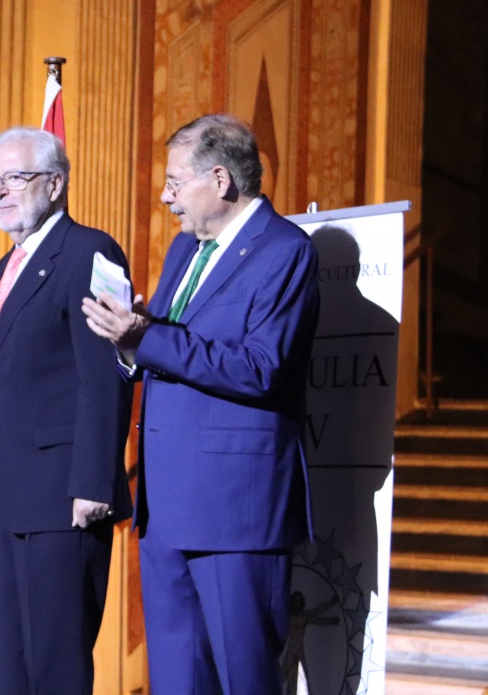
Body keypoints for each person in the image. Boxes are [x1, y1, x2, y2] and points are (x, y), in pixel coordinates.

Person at [81, 113, 320, 695]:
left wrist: (146, 337)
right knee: (176, 682)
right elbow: (164, 348)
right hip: (164, 508)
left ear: (219, 179)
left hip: (236, 512)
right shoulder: (187, 250)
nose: (164, 198)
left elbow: (261, 367)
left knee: (243, 680)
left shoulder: (286, 251)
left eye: (173, 182)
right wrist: (129, 339)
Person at [0, 126, 134, 694]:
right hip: (3, 502)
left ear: (56, 183)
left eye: (15, 178)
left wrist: (94, 483)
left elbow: (107, 375)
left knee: (56, 670)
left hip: (65, 499)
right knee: (9, 674)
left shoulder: (92, 251)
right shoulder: (3, 268)